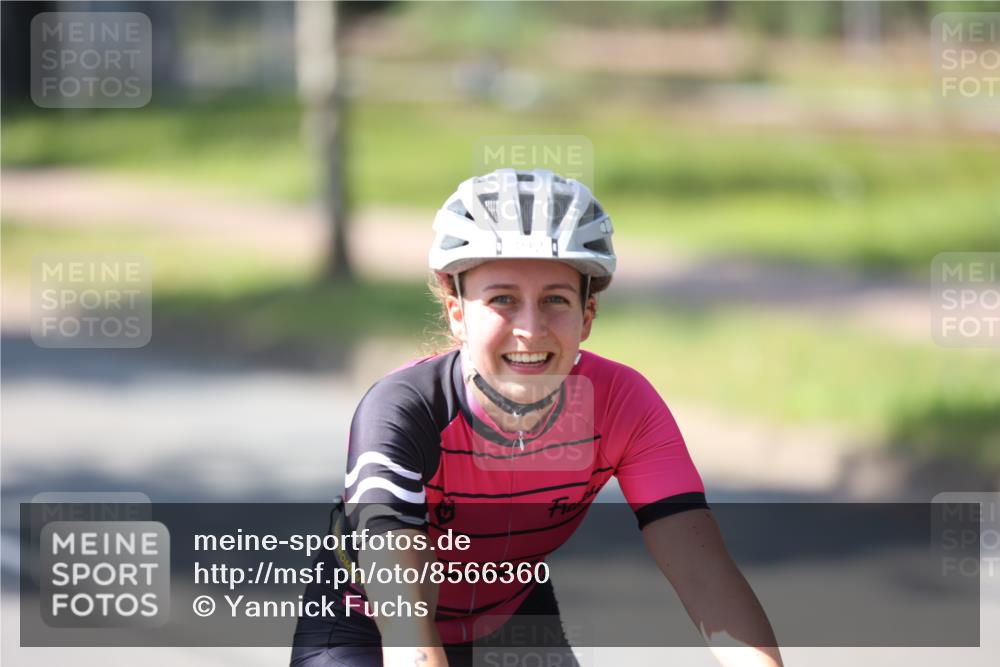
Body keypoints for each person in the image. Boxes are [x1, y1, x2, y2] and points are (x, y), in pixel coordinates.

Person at [291, 168, 783, 667]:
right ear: (456, 311)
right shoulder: (402, 411)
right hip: (366, 626)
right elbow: (407, 634)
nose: (531, 329)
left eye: (556, 300)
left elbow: (704, 577)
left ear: (588, 315)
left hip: (511, 618)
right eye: (502, 299)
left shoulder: (623, 404)